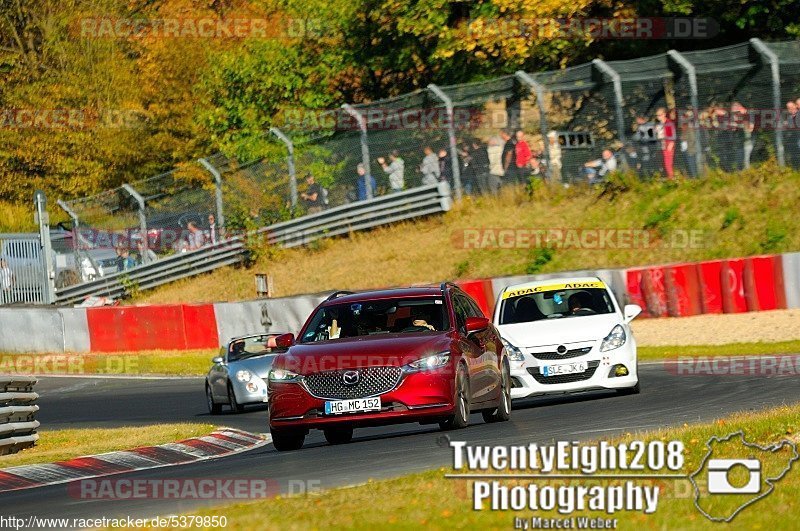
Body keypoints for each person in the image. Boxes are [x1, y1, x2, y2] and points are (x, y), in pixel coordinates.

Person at [655, 107, 676, 179]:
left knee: (668, 164)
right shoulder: (659, 124)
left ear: (664, 114)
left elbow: (672, 136)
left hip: (668, 146)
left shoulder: (668, 123)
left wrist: (670, 145)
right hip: (662, 146)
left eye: (659, 115)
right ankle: (666, 178)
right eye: (657, 115)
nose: (658, 117)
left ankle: (671, 179)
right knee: (663, 163)